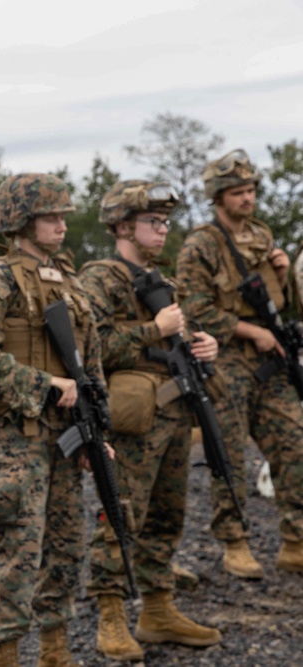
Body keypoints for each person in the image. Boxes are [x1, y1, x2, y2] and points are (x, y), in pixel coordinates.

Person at [0, 173, 100, 667]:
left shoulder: (70, 279)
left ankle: (57, 651)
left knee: (67, 548)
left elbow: (89, 357)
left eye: (63, 215)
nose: (61, 225)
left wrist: (93, 429)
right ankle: (6, 655)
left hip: (66, 436)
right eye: (50, 217)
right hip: (17, 439)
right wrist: (44, 386)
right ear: (20, 220)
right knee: (16, 554)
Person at [81, 180, 222, 662]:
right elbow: (89, 346)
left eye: (165, 222)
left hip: (175, 411)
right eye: (152, 222)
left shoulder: (165, 282)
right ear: (123, 226)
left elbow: (183, 334)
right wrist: (151, 330)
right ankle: (110, 615)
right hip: (135, 420)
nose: (162, 230)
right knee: (120, 516)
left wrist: (205, 344)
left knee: (167, 515)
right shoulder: (100, 278)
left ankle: (158, 609)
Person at [176, 148, 303, 579]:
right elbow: (193, 309)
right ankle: (235, 542)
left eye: (250, 190)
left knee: (294, 442)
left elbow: (275, 303)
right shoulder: (201, 245)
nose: (247, 199)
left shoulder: (262, 237)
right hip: (225, 359)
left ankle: (295, 540)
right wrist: (252, 332)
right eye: (237, 192)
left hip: (269, 362)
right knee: (226, 452)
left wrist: (282, 276)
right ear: (218, 197)